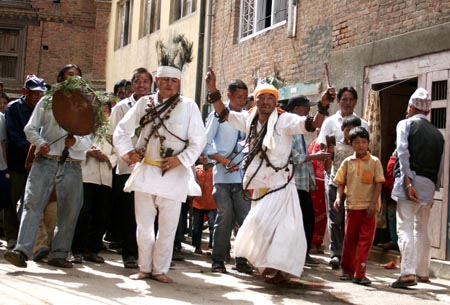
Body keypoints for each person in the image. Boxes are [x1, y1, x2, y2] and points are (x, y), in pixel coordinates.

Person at [205, 67, 332, 284]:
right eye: (261, 98)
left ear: (275, 102)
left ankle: (280, 268)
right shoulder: (248, 119)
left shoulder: (285, 120)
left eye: (269, 98)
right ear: (255, 102)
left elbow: (312, 124)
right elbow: (224, 114)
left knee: (285, 229)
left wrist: (323, 104)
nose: (265, 102)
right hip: (260, 185)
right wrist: (213, 89)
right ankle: (267, 265)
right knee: (261, 227)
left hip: (282, 184)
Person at [114, 64, 206, 283]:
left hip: (174, 176)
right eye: (165, 80)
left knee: (167, 228)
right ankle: (144, 267)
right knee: (144, 227)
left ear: (179, 84)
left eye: (173, 81)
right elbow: (121, 130)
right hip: (146, 171)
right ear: (157, 80)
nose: (169, 84)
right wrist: (128, 152)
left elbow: (198, 140)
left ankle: (160, 270)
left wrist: (180, 160)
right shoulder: (144, 103)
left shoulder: (189, 106)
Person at [3, 64, 92, 268]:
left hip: (71, 164)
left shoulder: (87, 106)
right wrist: (41, 143)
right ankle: (22, 250)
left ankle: (59, 254)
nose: (74, 80)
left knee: (70, 210)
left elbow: (90, 138)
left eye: (78, 77)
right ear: (60, 79)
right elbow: (30, 129)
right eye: (69, 76)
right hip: (45, 160)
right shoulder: (47, 101)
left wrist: (76, 142)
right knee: (32, 204)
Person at [390, 88, 444, 288]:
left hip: (410, 182)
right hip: (429, 185)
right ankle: (422, 272)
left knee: (404, 227)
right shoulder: (438, 135)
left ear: (411, 107)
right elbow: (440, 166)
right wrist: (433, 188)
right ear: (428, 111)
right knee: (421, 228)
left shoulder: (405, 124)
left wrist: (408, 181)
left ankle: (407, 273)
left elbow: (403, 152)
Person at [317, 86, 368, 269]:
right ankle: (336, 253)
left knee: (352, 218)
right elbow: (322, 147)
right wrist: (329, 166)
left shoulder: (363, 123)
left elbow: (366, 151)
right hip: (334, 178)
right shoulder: (330, 122)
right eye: (344, 99)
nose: (347, 103)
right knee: (335, 217)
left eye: (351, 99)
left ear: (355, 101)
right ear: (339, 101)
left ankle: (350, 253)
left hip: (356, 182)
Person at [204, 78, 252, 274]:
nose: (242, 101)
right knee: (224, 217)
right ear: (229, 96)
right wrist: (225, 161)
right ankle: (218, 259)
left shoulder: (248, 117)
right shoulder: (217, 116)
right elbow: (205, 145)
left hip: (241, 177)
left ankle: (242, 259)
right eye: (238, 97)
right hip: (222, 176)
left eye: (244, 97)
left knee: (245, 218)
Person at [109, 67, 153, 269]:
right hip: (128, 167)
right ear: (131, 85)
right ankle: (129, 254)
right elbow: (114, 135)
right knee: (128, 214)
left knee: (150, 214)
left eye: (145, 81)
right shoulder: (121, 108)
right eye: (138, 81)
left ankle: (149, 256)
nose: (142, 84)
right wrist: (127, 155)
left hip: (151, 167)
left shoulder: (157, 106)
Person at [333, 126, 385, 285]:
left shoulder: (375, 162)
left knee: (365, 241)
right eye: (356, 142)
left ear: (368, 143)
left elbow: (378, 185)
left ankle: (359, 273)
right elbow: (340, 182)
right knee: (349, 239)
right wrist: (338, 198)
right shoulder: (347, 162)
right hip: (352, 207)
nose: (360, 145)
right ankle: (347, 270)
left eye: (363, 142)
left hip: (368, 209)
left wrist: (372, 203)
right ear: (351, 144)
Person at [4, 75, 47, 250]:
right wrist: (34, 148)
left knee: (33, 202)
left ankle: (29, 240)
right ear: (25, 92)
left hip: (38, 161)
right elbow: (13, 136)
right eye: (34, 93)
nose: (37, 98)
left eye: (40, 94)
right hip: (17, 161)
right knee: (12, 200)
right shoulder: (13, 108)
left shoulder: (44, 109)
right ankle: (12, 236)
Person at [71, 101, 116, 264]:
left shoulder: (112, 132)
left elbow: (119, 153)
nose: (101, 116)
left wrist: (108, 158)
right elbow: (73, 149)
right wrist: (88, 153)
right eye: (99, 112)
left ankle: (93, 249)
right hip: (86, 175)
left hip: (105, 176)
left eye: (105, 112)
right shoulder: (83, 129)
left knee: (101, 215)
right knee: (83, 213)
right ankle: (77, 250)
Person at [288, 95, 331, 265]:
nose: (308, 111)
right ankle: (300, 254)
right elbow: (293, 157)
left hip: (302, 183)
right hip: (293, 182)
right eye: (306, 108)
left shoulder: (300, 130)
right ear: (296, 109)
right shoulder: (289, 129)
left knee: (306, 218)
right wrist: (315, 156)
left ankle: (302, 253)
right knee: (303, 219)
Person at [190, 154, 217, 254]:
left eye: (207, 156)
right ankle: (197, 246)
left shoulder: (215, 171)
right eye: (202, 155)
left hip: (212, 203)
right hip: (198, 202)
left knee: (213, 226)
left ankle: (214, 246)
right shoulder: (196, 170)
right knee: (196, 227)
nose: (204, 158)